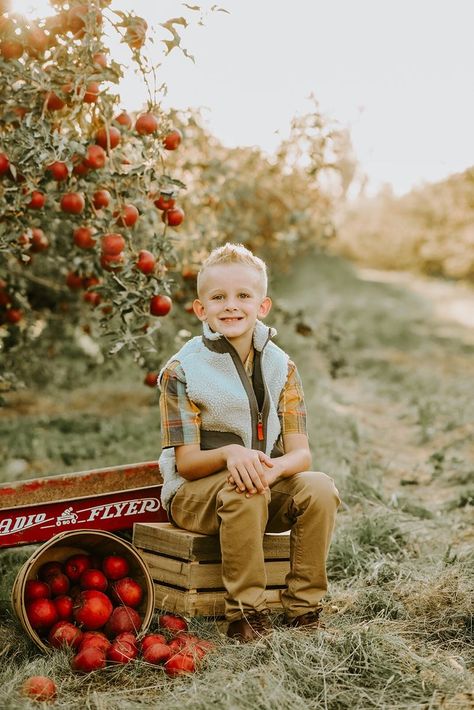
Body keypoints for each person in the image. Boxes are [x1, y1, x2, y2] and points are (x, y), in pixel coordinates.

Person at [158, 243, 341, 642]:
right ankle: (246, 614)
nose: (231, 306)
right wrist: (231, 453)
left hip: (261, 482)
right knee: (243, 490)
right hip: (194, 495)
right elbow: (186, 464)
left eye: (243, 295)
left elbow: (301, 453)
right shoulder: (182, 370)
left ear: (262, 305)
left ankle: (304, 608)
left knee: (320, 488)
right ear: (200, 309)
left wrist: (274, 468)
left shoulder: (282, 366)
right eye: (218, 297)